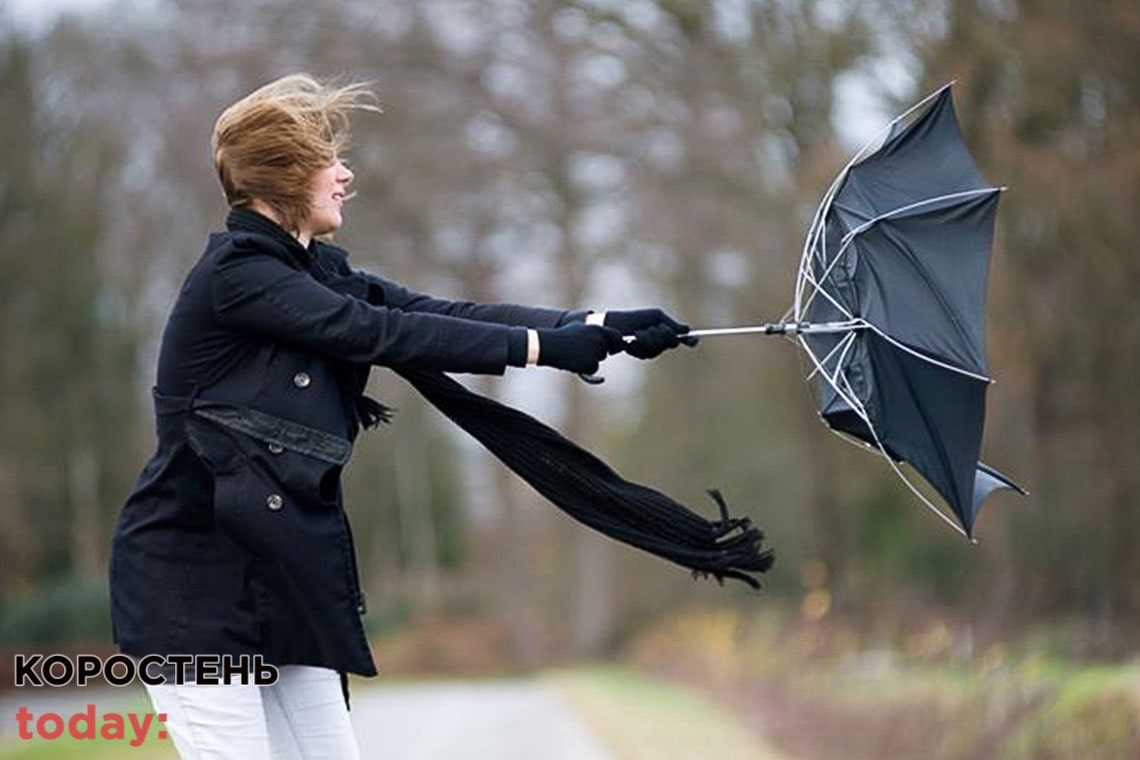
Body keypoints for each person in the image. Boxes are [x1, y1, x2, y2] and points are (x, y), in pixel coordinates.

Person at [108, 73, 694, 759]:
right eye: (329, 160)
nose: (346, 174)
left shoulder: (310, 272)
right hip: (192, 590)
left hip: (279, 581)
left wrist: (593, 324)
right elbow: (378, 333)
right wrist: (543, 349)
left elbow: (431, 313)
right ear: (285, 174)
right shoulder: (238, 276)